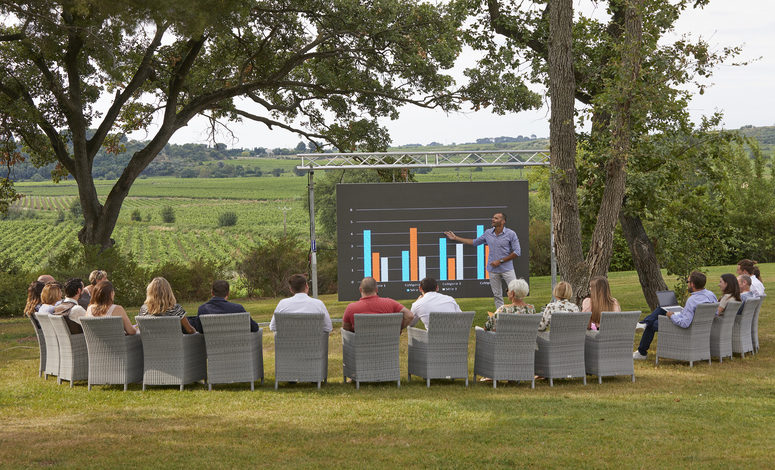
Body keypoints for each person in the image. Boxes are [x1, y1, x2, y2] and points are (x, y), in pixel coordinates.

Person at [633, 271, 717, 360]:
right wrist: (683, 312)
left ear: (692, 284)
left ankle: (642, 352)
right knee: (662, 308)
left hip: (687, 330)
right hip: (701, 328)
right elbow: (715, 313)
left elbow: (685, 323)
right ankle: (644, 323)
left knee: (652, 324)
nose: (687, 284)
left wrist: (671, 316)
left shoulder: (692, 300)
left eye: (687, 282)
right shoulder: (710, 295)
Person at [445, 212, 520, 309]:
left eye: (496, 218)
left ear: (503, 221)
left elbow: (517, 252)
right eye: (493, 218)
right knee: (497, 295)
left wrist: (500, 261)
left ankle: (517, 312)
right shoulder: (488, 233)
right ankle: (500, 315)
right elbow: (474, 242)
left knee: (515, 292)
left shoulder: (511, 234)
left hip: (507, 269)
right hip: (493, 270)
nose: (493, 220)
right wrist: (455, 238)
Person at [342, 277, 413, 332]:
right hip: (388, 347)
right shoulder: (391, 303)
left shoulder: (351, 308)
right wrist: (397, 329)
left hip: (361, 348)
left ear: (360, 290)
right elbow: (409, 316)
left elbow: (346, 328)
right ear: (376, 289)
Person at [193, 279, 259, 333]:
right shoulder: (238, 309)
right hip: (237, 347)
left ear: (212, 293)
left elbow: (200, 330)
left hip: (212, 347)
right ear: (228, 293)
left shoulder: (202, 309)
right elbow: (254, 328)